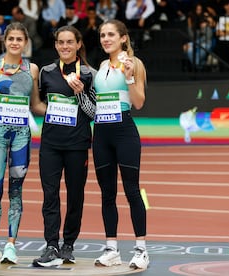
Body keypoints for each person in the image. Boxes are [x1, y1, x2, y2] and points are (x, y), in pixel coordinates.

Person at [0, 22, 47, 265]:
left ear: (26, 42)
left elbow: (35, 105)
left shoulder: (32, 69)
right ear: (4, 41)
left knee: (16, 190)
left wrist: (64, 109)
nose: (15, 43)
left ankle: (11, 246)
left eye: (19, 39)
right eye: (11, 39)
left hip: (21, 137)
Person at [32, 25, 96, 267]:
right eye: (61, 42)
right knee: (50, 195)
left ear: (79, 44)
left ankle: (68, 244)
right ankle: (51, 245)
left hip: (77, 144)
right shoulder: (47, 72)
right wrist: (53, 111)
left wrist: (79, 94)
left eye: (70, 42)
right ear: (56, 45)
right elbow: (36, 105)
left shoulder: (90, 74)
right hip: (50, 143)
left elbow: (94, 113)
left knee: (75, 195)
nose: (65, 46)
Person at [92, 19, 149, 269]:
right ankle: (112, 249)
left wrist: (128, 78)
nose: (106, 39)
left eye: (111, 35)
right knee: (107, 194)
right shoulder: (102, 65)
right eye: (103, 35)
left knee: (132, 191)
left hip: (124, 132)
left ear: (123, 38)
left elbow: (138, 102)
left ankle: (141, 251)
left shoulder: (133, 64)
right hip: (101, 134)